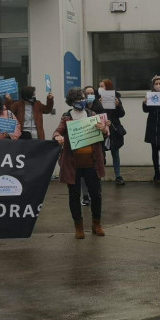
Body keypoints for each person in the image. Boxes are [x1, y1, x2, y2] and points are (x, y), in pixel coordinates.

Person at [53, 87, 110, 239]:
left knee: (96, 195)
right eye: (77, 100)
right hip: (73, 164)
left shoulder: (92, 115)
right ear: (71, 102)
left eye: (82, 99)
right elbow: (57, 132)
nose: (81, 102)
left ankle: (96, 224)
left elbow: (105, 134)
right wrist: (58, 137)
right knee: (74, 195)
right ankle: (78, 227)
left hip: (92, 162)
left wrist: (103, 129)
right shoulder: (66, 117)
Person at [99, 79, 126, 185]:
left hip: (114, 129)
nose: (101, 88)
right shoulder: (97, 99)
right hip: (101, 129)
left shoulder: (116, 98)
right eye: (100, 86)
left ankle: (118, 176)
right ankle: (100, 175)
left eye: (103, 86)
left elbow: (122, 114)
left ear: (109, 87)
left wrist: (118, 105)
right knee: (101, 153)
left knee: (115, 152)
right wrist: (99, 104)